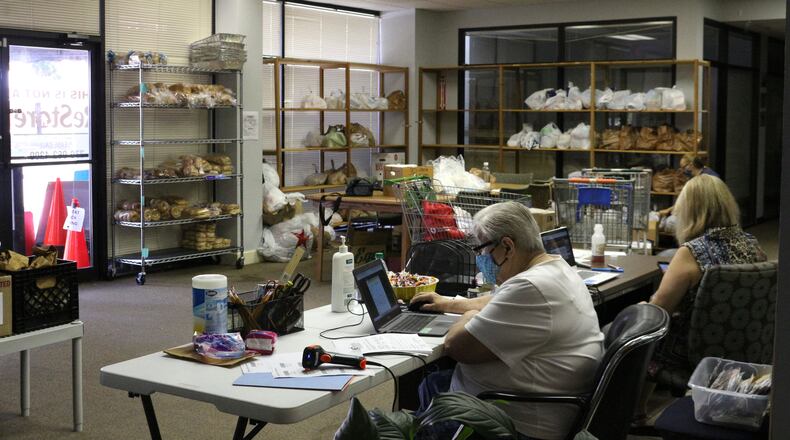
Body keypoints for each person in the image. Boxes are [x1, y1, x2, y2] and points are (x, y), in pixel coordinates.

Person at [410, 201, 604, 440]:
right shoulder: (557, 269)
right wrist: (450, 304)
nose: (481, 258)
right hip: (544, 405)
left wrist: (471, 315)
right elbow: (500, 299)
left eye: (481, 249)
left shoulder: (531, 286)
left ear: (507, 247)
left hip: (517, 422)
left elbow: (457, 346)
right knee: (432, 382)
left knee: (427, 389)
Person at [637, 174, 767, 422]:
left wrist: (643, 307)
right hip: (743, 347)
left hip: (692, 353)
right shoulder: (753, 245)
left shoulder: (691, 253)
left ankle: (634, 412)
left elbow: (659, 310)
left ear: (691, 211)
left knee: (636, 331)